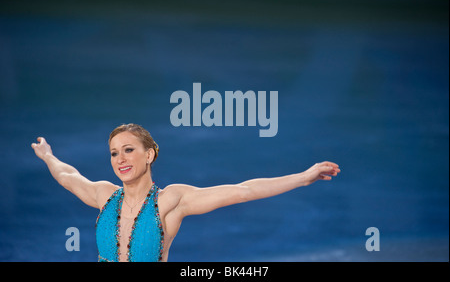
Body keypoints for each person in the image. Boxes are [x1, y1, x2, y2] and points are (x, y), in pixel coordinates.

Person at [31, 123, 340, 262]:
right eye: (114, 153)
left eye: (128, 150)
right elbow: (68, 176)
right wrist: (47, 156)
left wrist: (303, 177)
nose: (120, 159)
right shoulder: (104, 195)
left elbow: (243, 191)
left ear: (149, 155)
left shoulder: (170, 201)